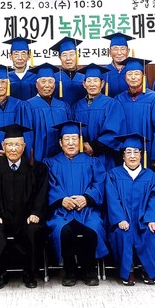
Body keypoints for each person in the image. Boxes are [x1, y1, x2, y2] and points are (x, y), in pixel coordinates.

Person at [0, 124, 48, 289]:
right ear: (3, 146)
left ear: (24, 146)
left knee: (33, 229)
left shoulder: (36, 168)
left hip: (27, 217)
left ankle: (29, 273)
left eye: (17, 145)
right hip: (1, 216)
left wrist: (36, 212)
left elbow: (42, 193)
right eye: (9, 144)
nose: (13, 149)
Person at [44, 121, 109, 287]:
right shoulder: (51, 163)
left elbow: (99, 183)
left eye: (74, 139)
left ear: (80, 142)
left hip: (87, 211)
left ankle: (89, 270)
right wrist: (61, 199)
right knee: (62, 230)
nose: (71, 143)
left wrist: (87, 198)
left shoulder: (92, 162)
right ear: (60, 143)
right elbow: (49, 186)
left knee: (93, 228)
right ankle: (69, 270)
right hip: (61, 212)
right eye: (67, 139)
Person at [105, 133, 155, 285]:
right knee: (123, 233)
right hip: (122, 221)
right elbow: (112, 199)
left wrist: (151, 219)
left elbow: (154, 199)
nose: (132, 156)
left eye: (136, 152)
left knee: (149, 231)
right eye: (128, 152)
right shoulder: (113, 175)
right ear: (123, 155)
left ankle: (148, 269)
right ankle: (128, 270)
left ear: (141, 155)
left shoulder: (150, 176)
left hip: (143, 220)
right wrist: (120, 219)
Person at [115, 57, 155, 164]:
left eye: (137, 74)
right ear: (125, 77)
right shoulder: (118, 99)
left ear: (143, 76)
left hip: (148, 152)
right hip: (124, 153)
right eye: (129, 74)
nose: (133, 77)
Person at [72, 63, 125, 171]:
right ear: (84, 84)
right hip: (81, 155)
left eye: (95, 80)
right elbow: (72, 130)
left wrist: (93, 146)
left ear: (102, 84)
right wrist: (82, 145)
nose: (92, 84)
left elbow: (114, 133)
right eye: (89, 81)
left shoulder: (112, 104)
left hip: (105, 157)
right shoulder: (77, 106)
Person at [21, 63, 71, 162]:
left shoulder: (63, 106)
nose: (47, 85)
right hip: (38, 159)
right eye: (43, 81)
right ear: (37, 85)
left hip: (61, 160)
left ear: (55, 85)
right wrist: (30, 158)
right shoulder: (28, 106)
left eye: (50, 81)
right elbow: (27, 136)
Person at [103, 32, 146, 98]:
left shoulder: (135, 71)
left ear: (128, 51)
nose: (119, 53)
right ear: (110, 52)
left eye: (123, 49)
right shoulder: (104, 72)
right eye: (115, 49)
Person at [51, 36, 86, 108]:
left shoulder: (85, 78)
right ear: (60, 57)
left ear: (77, 55)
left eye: (71, 54)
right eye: (64, 55)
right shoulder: (54, 78)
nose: (68, 58)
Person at [3, 37, 37, 101]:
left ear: (29, 56)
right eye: (16, 54)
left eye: (23, 54)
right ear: (10, 56)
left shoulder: (35, 76)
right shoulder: (5, 76)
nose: (20, 58)